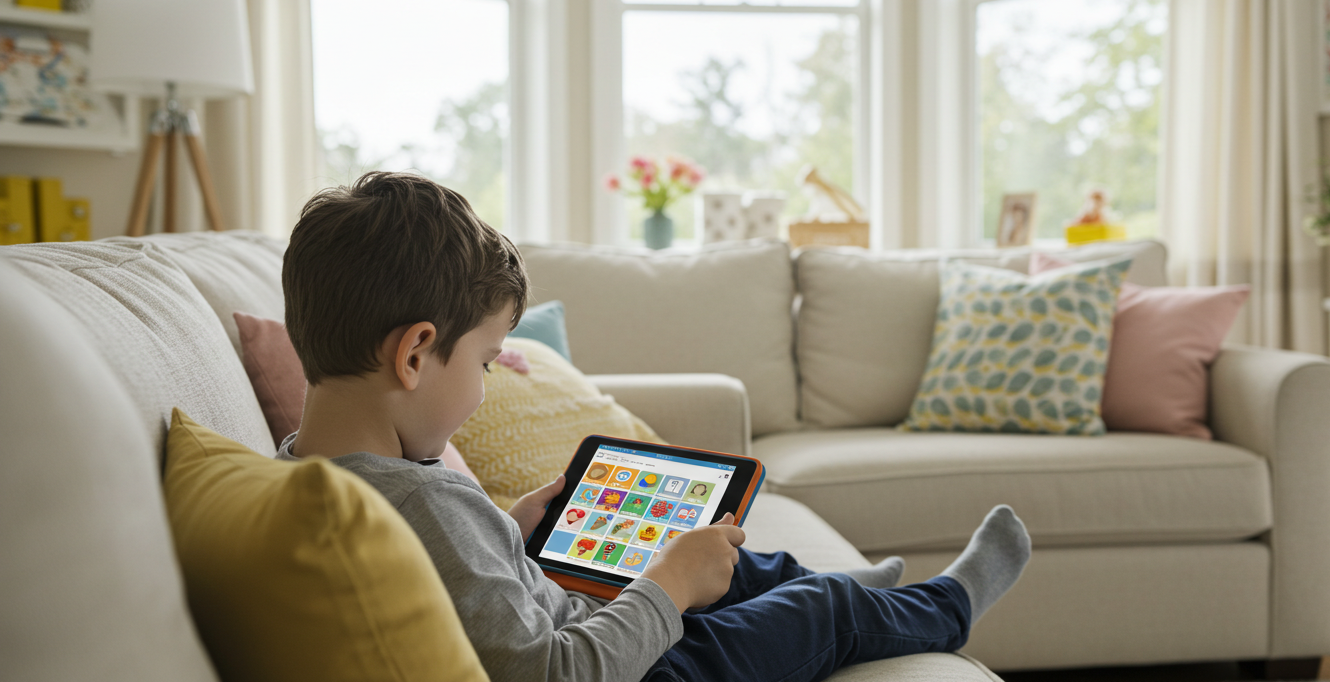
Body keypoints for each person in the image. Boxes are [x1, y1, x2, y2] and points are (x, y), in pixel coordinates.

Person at [276, 171, 1032, 682]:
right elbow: (555, 674)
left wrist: (504, 528)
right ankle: (942, 608)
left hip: (590, 622)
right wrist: (668, 586)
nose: (480, 391)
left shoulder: (304, 468)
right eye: (483, 362)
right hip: (638, 666)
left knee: (743, 567)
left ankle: (860, 600)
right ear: (414, 353)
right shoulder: (418, 502)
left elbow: (453, 580)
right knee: (810, 610)